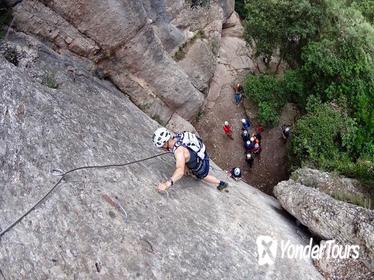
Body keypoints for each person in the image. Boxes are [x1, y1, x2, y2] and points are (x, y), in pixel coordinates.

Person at [153, 127, 229, 192]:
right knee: (183, 164)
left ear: (165, 143)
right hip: (199, 154)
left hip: (201, 165)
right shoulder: (177, 138)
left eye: (162, 147)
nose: (162, 149)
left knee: (203, 176)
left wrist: (166, 184)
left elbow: (180, 171)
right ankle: (189, 168)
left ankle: (221, 183)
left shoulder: (179, 152)